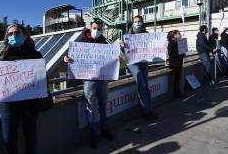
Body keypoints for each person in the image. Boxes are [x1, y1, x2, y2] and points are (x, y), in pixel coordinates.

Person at [0, 24, 43, 154]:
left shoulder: (35, 55)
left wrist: (41, 89)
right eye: (10, 34)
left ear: (25, 36)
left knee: (31, 138)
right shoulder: (1, 55)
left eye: (17, 33)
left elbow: (43, 78)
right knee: (8, 139)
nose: (13, 36)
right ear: (7, 37)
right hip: (8, 104)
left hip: (30, 103)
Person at [64, 19, 114, 148]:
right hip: (89, 80)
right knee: (90, 107)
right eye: (94, 28)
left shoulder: (104, 42)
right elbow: (72, 56)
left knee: (103, 106)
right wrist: (67, 58)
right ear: (90, 28)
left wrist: (116, 59)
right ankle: (93, 134)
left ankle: (105, 129)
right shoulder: (82, 42)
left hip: (102, 79)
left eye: (99, 28)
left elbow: (111, 58)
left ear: (101, 29)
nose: (96, 30)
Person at [124, 15, 158, 121]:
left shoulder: (146, 34)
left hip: (143, 61)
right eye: (135, 21)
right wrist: (122, 46)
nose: (137, 23)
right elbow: (125, 49)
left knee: (146, 86)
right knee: (142, 84)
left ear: (142, 22)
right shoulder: (128, 34)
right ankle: (145, 111)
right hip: (133, 63)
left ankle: (149, 109)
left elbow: (152, 46)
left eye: (139, 21)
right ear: (133, 23)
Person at [167, 30, 185, 98]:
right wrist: (180, 55)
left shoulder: (177, 42)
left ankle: (178, 92)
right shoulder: (171, 43)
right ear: (174, 35)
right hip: (175, 64)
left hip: (178, 62)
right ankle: (176, 93)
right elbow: (171, 54)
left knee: (177, 78)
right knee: (176, 79)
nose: (180, 35)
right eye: (178, 34)